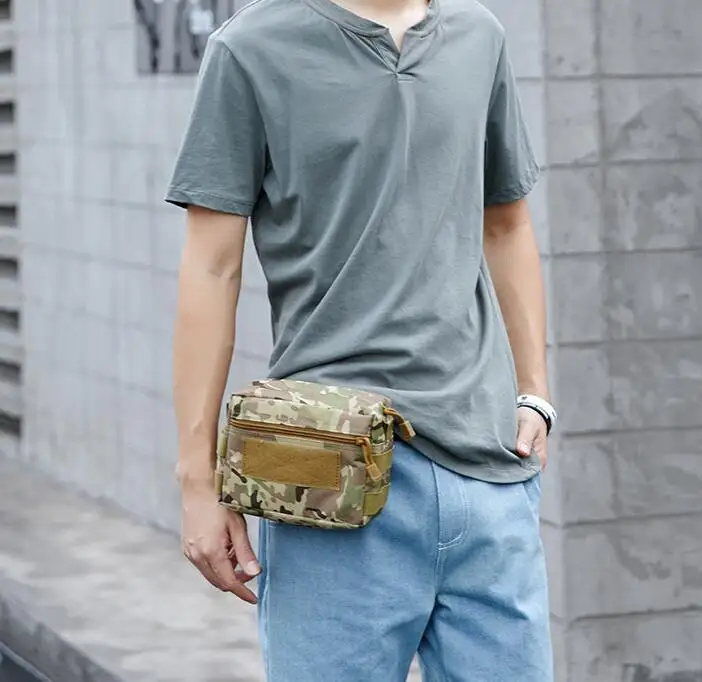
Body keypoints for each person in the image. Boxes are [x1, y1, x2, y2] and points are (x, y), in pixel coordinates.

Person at [165, 0, 554, 678]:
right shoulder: (250, 48)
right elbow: (211, 267)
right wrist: (198, 480)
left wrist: (535, 394)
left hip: (488, 466)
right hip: (327, 472)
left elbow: (507, 224)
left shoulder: (477, 36)